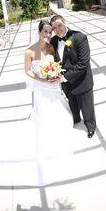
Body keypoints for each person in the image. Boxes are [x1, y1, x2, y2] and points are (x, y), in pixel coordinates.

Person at [24, 20, 73, 184]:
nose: (48, 34)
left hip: (53, 86)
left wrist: (55, 75)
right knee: (44, 118)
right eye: (45, 31)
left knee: (63, 115)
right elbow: (28, 72)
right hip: (41, 87)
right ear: (39, 32)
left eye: (50, 32)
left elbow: (56, 65)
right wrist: (42, 80)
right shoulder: (29, 51)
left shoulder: (51, 48)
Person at [50, 14, 96, 138]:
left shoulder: (80, 37)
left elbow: (83, 63)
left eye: (59, 25)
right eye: (54, 28)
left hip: (82, 81)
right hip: (66, 83)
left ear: (65, 22)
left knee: (87, 108)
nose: (57, 29)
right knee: (72, 104)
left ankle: (90, 126)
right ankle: (75, 119)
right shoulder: (53, 41)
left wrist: (65, 77)